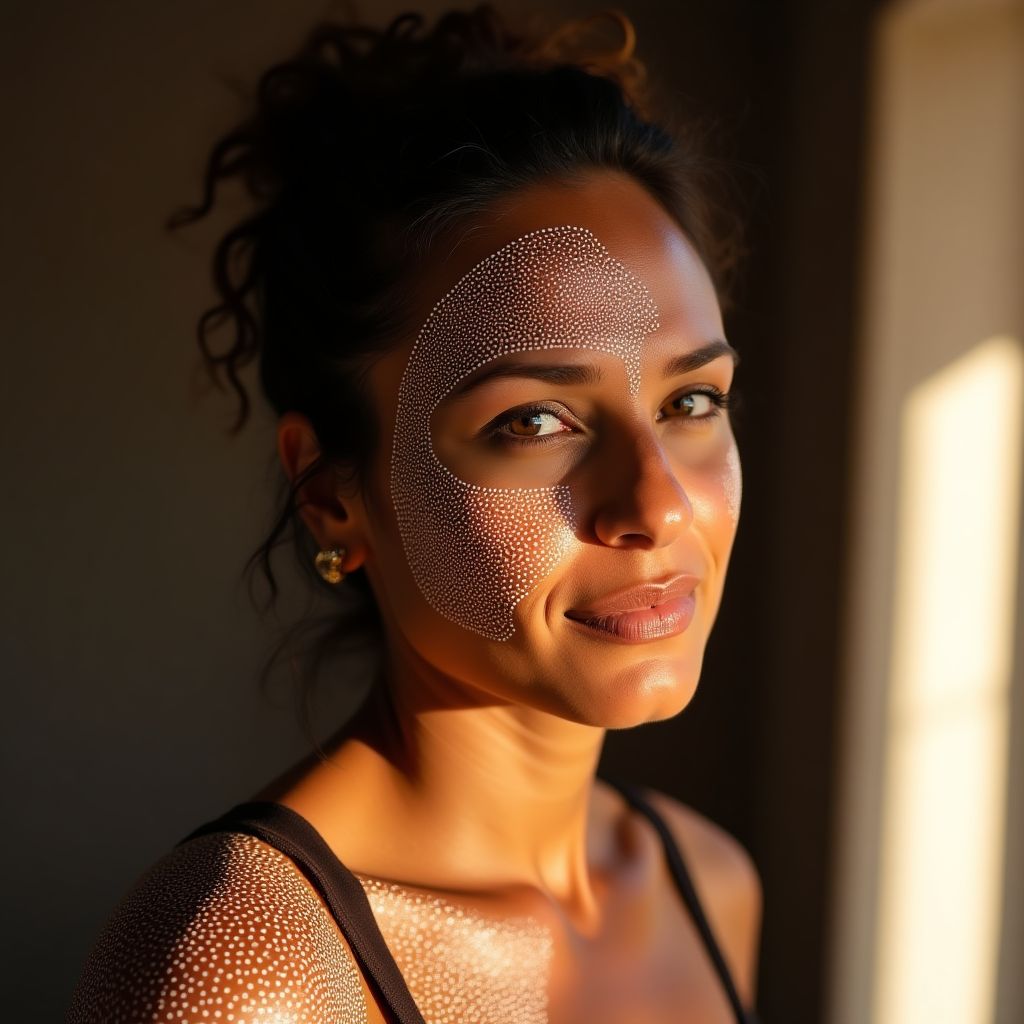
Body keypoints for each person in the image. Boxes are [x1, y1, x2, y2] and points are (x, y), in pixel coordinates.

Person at [67, 5, 762, 1022]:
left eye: (689, 402)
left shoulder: (707, 885)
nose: (655, 504)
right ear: (331, 492)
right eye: (534, 421)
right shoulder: (252, 966)